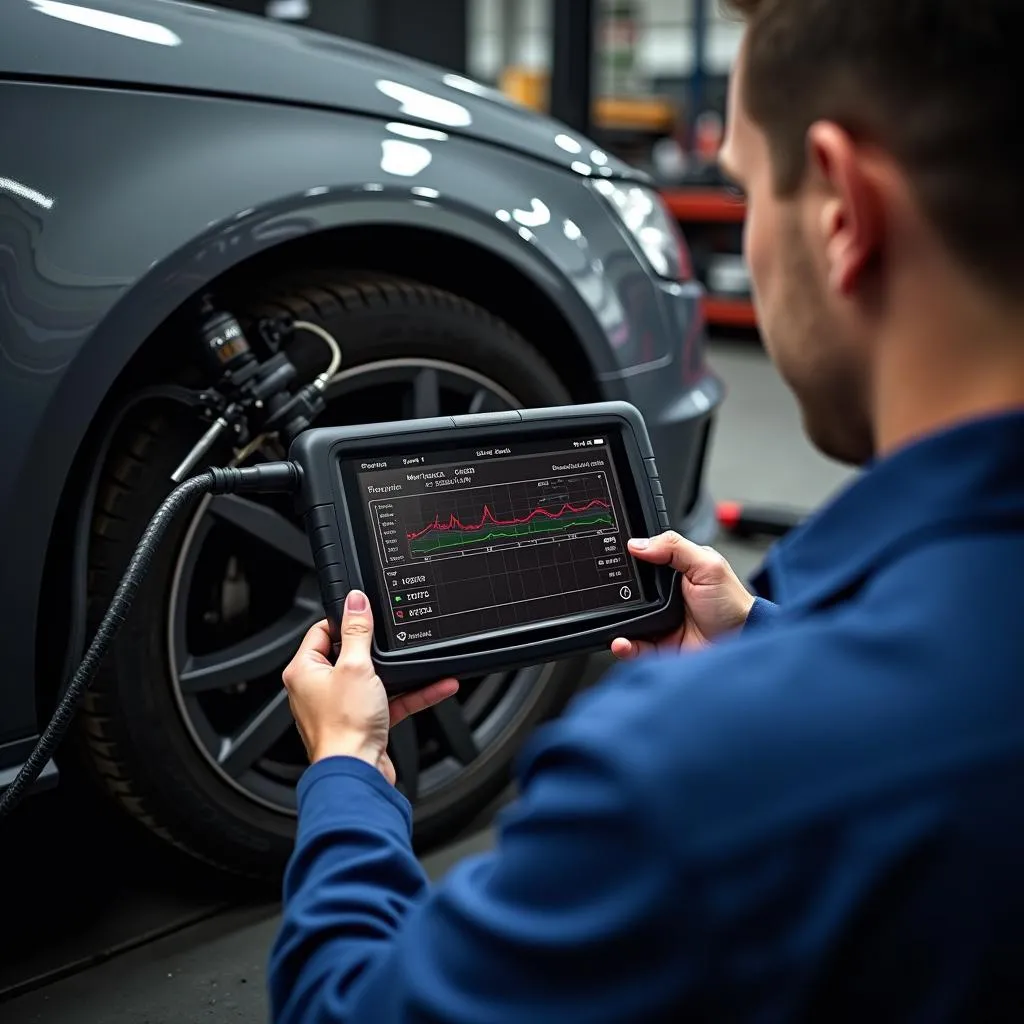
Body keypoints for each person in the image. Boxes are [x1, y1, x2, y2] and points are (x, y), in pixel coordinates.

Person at [268, 0, 1024, 1019]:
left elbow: (345, 1008)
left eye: (748, 189)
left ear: (842, 210)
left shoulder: (681, 778)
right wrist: (770, 639)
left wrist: (349, 772)